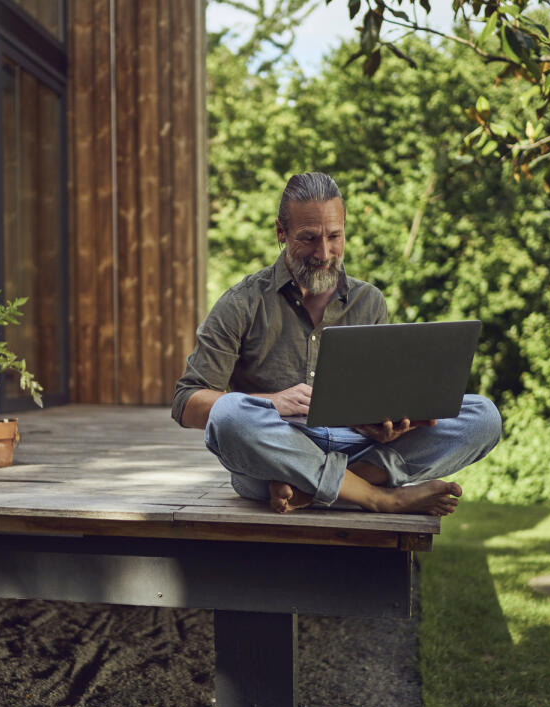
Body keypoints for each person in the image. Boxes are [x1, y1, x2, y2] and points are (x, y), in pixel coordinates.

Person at [172, 172, 502, 516]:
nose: (324, 252)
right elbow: (186, 402)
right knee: (229, 416)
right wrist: (273, 402)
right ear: (280, 232)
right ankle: (379, 497)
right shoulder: (242, 302)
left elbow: (379, 398)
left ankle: (316, 489)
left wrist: (386, 426)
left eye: (334, 236)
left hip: (356, 449)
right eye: (309, 238)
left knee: (483, 417)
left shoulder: (369, 300)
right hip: (275, 454)